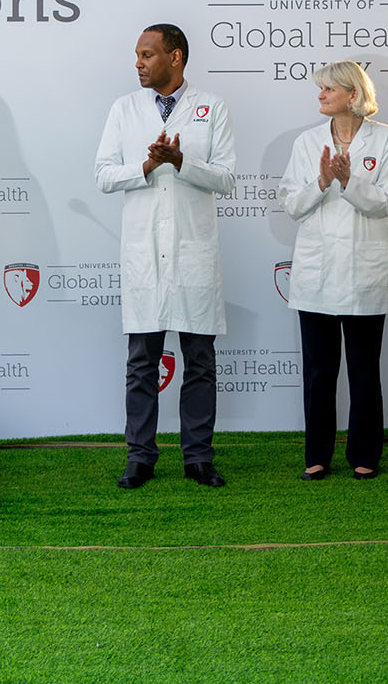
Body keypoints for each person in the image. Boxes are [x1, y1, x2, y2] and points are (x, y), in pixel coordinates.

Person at [94, 24, 236, 490]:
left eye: (147, 54)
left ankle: (198, 457)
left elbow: (227, 179)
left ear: (175, 58)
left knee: (199, 362)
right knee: (141, 364)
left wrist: (182, 164)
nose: (138, 62)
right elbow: (104, 176)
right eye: (137, 54)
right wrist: (148, 166)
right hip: (143, 256)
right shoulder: (123, 108)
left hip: (192, 250)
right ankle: (141, 457)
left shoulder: (211, 108)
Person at [278, 61, 388, 481]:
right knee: (318, 372)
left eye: (327, 89)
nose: (319, 95)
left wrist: (350, 182)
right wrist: (321, 181)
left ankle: (365, 454)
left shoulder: (386, 140)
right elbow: (292, 205)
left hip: (364, 270)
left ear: (352, 94)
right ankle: (317, 455)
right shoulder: (306, 142)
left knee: (365, 370)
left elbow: (386, 203)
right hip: (316, 272)